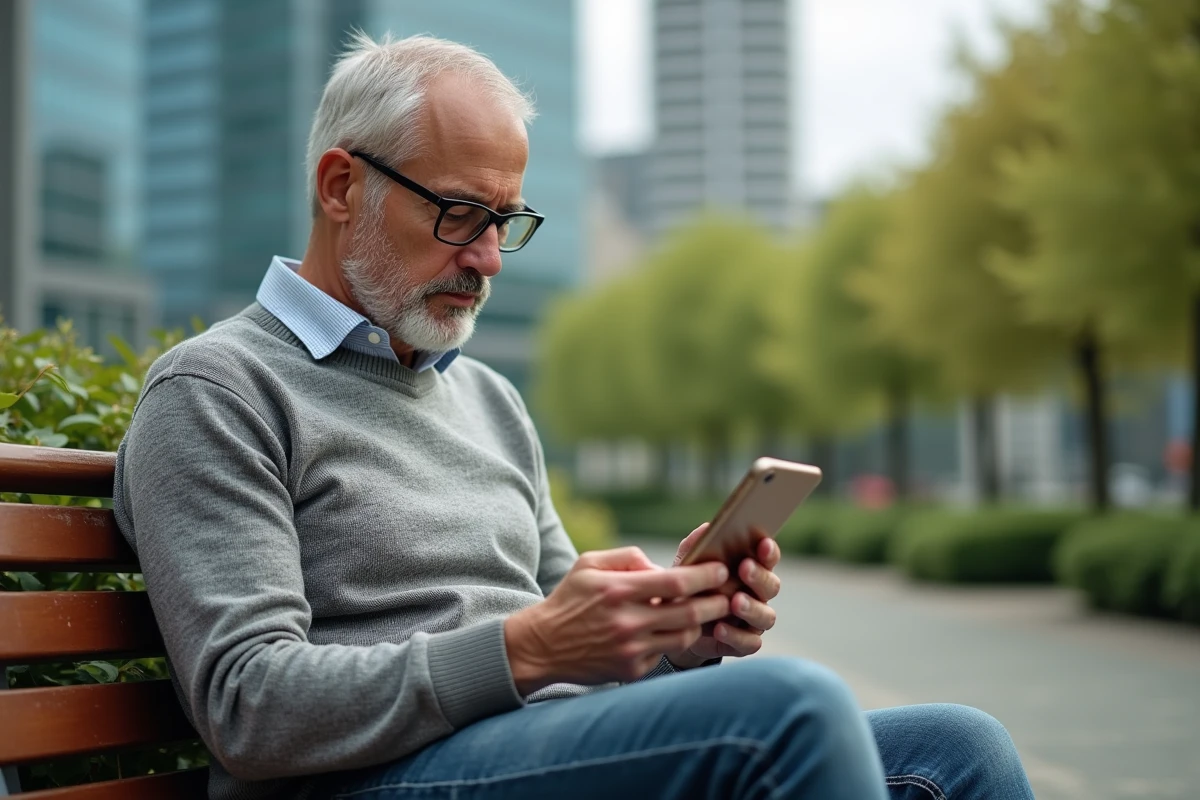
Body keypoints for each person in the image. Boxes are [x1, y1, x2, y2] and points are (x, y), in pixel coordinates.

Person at [114, 33, 1035, 800]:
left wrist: (680, 637)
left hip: (531, 754)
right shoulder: (217, 391)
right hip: (366, 780)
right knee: (791, 712)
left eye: (506, 221)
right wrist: (525, 647)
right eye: (459, 214)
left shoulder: (486, 400)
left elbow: (573, 645)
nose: (489, 259)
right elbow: (248, 705)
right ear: (341, 185)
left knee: (961, 749)